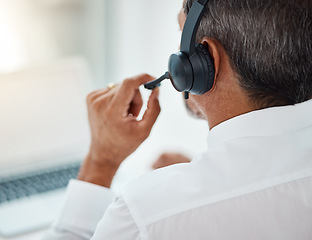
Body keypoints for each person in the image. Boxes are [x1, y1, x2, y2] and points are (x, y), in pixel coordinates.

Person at [43, 0, 312, 239]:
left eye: (181, 35)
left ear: (205, 62)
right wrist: (208, 177)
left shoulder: (146, 216)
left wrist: (100, 164)